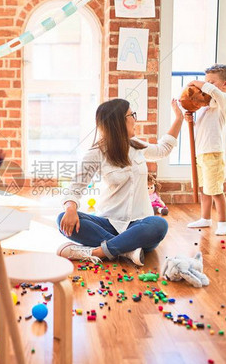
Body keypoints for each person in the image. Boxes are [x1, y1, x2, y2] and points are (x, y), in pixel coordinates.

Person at [56, 98, 184, 266]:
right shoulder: (97, 152)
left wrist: (179, 119)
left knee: (158, 224)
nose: (135, 119)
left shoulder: (137, 146)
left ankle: (99, 252)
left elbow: (163, 149)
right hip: (109, 223)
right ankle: (127, 250)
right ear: (118, 122)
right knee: (62, 219)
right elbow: (76, 185)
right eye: (132, 115)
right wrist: (71, 207)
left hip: (140, 226)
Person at [185, 64, 226, 236]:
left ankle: (223, 222)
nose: (206, 86)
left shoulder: (224, 100)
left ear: (225, 84)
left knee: (215, 190)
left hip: (213, 152)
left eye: (211, 82)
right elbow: (201, 127)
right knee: (204, 188)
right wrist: (189, 119)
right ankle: (205, 218)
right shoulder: (207, 105)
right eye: (206, 82)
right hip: (201, 152)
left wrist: (194, 81)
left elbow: (214, 92)